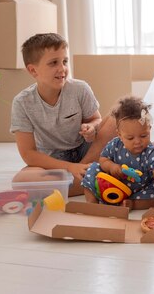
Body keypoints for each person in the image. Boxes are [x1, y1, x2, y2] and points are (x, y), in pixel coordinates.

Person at [10, 33, 117, 195]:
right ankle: (91, 178)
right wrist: (70, 167)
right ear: (33, 70)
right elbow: (29, 154)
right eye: (53, 63)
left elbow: (96, 119)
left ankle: (79, 179)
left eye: (65, 61)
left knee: (117, 118)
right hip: (53, 160)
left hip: (85, 151)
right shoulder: (22, 103)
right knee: (21, 181)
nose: (62, 69)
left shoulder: (80, 89)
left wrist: (91, 127)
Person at [81, 96, 154, 214]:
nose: (137, 142)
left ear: (149, 129)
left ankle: (132, 204)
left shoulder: (151, 153)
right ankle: (92, 204)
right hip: (112, 186)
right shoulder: (115, 144)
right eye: (130, 138)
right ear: (119, 135)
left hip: (139, 191)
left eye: (143, 136)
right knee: (91, 169)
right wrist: (112, 167)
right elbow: (103, 159)